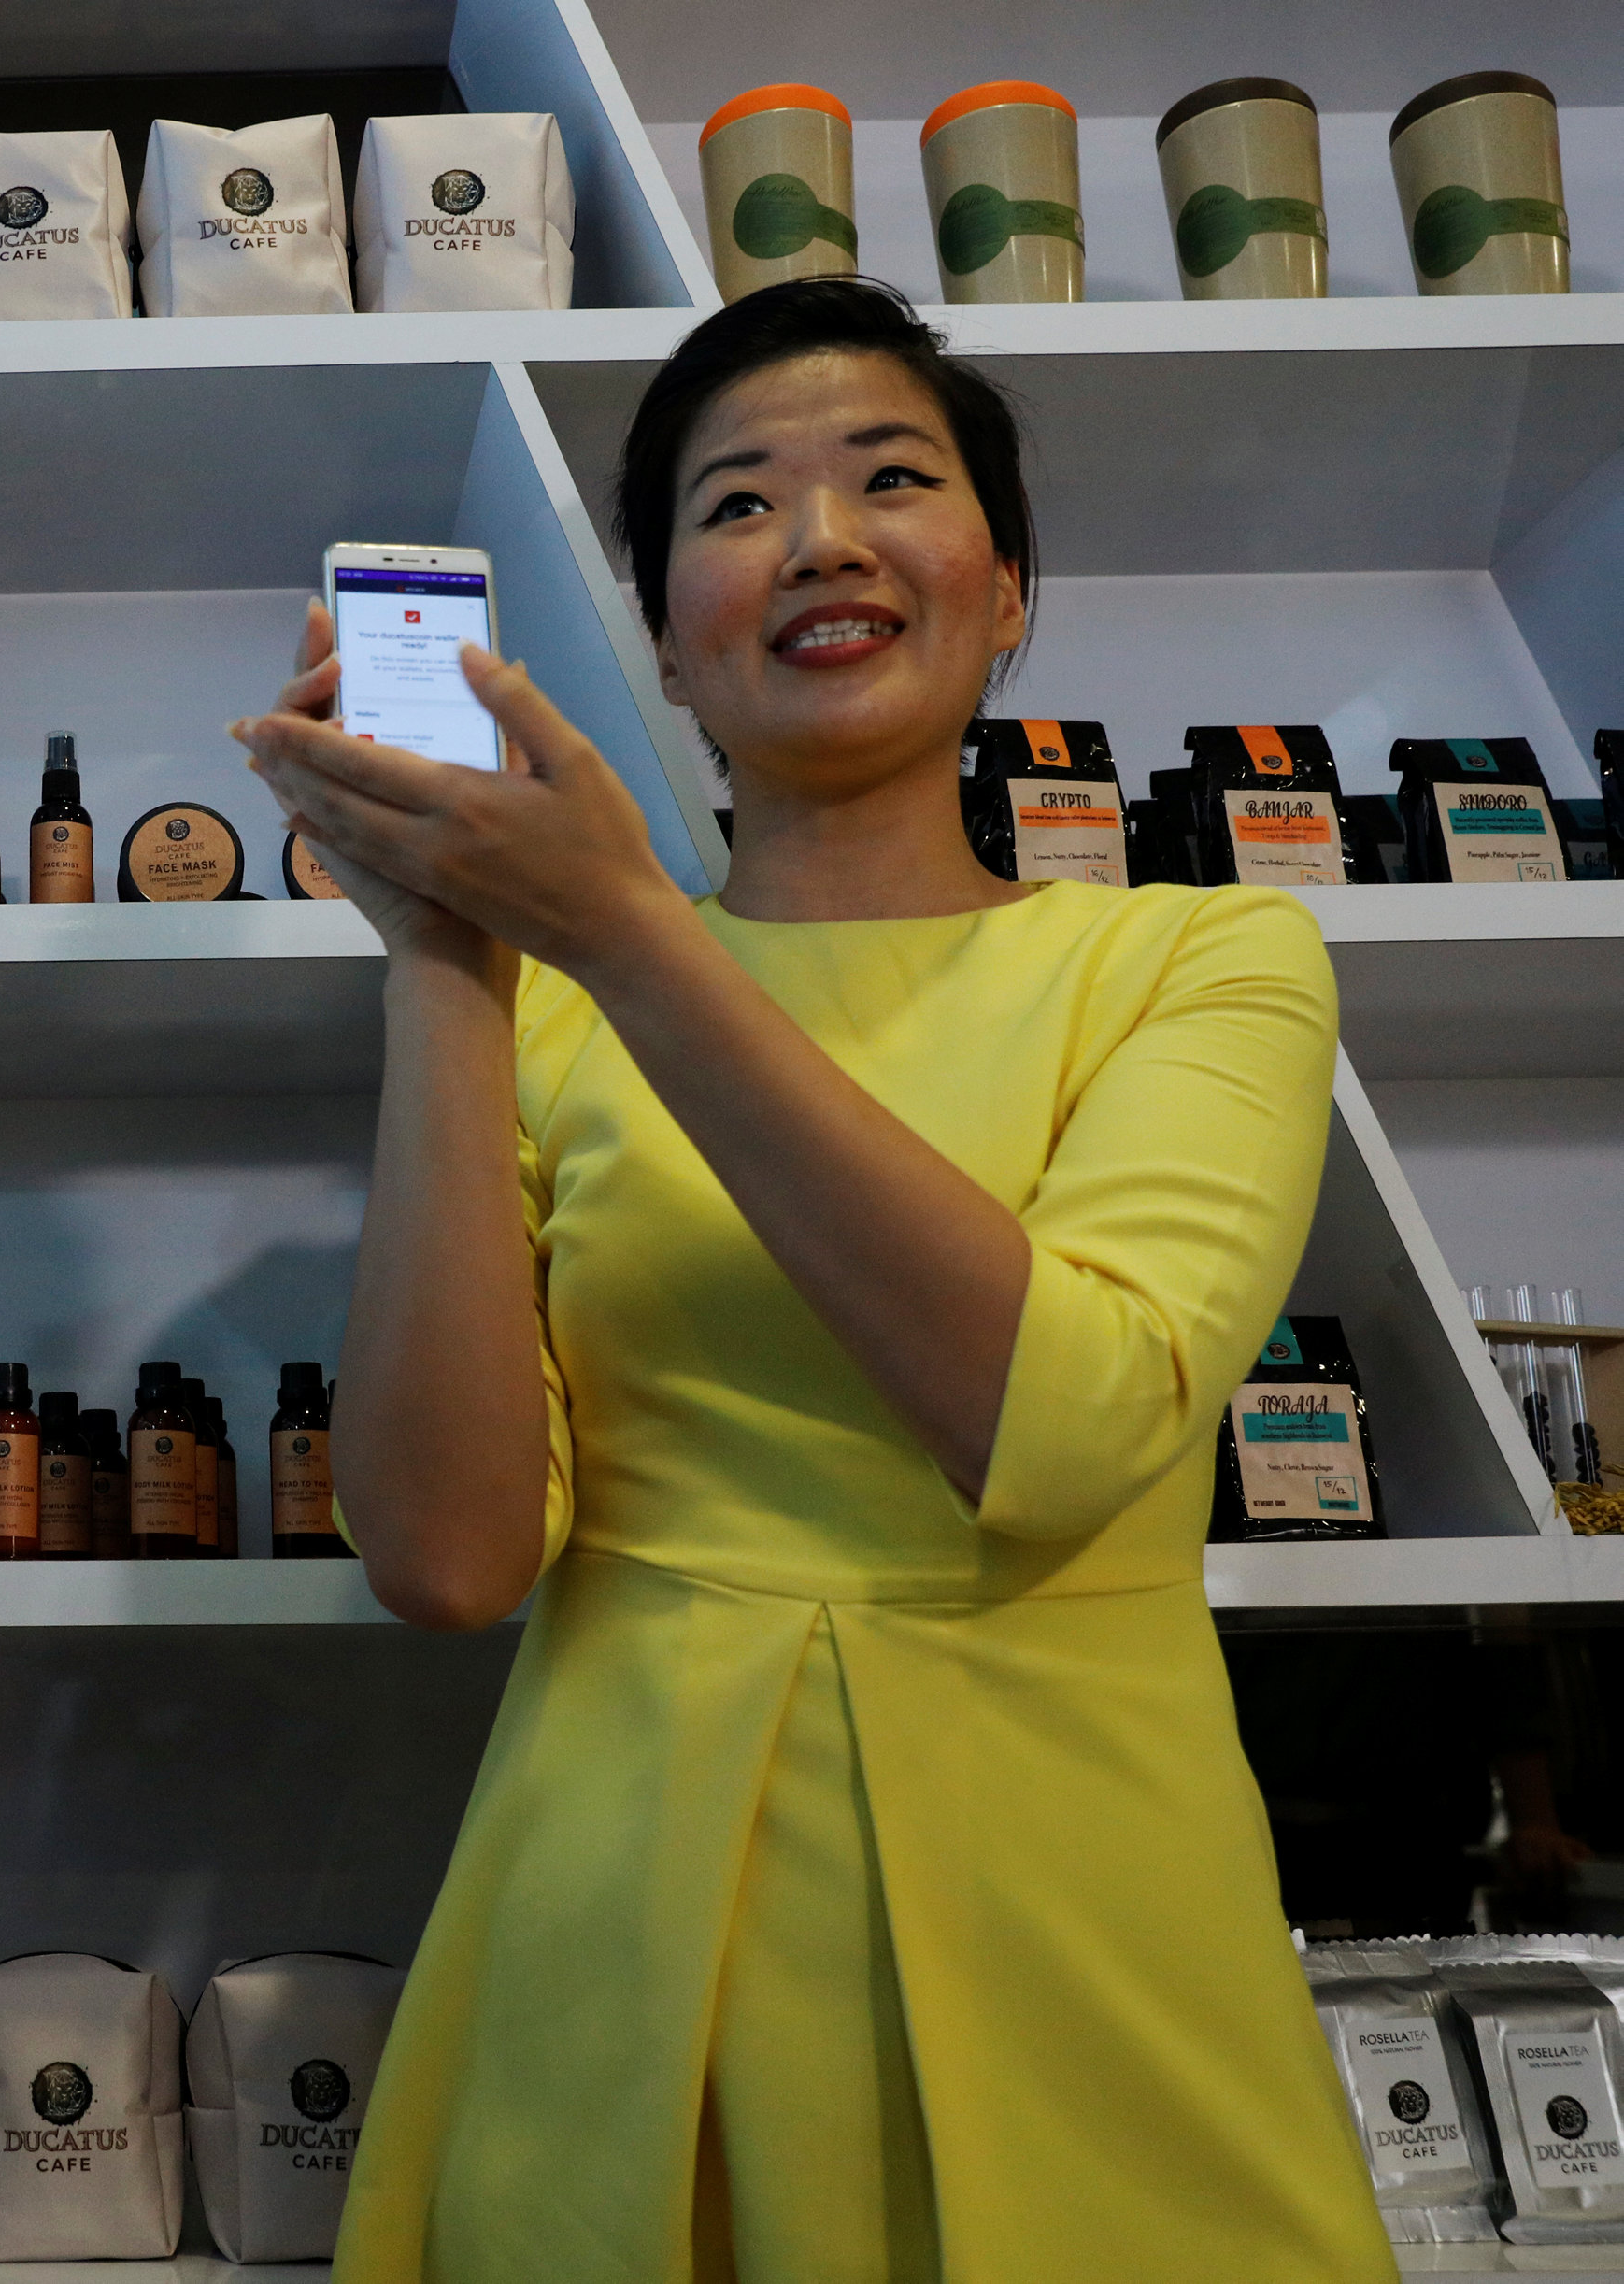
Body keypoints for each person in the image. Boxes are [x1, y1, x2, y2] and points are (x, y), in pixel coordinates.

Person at [233, 278, 1391, 2282]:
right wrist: (445, 957)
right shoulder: (552, 1012)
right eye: (737, 504)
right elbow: (441, 1556)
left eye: (890, 480)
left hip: (1076, 1905)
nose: (821, 540)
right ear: (670, 642)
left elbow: (1067, 1424)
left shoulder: (1200, 965)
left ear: (1005, 585)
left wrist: (625, 933)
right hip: (618, 1911)